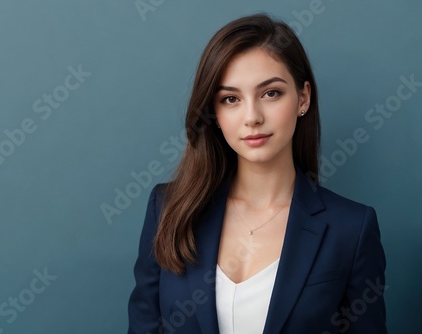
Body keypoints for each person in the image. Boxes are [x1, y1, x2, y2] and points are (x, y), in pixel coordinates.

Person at [128, 13, 387, 334]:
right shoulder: (167, 208)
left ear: (303, 98)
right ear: (215, 114)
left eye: (270, 93)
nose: (252, 117)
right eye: (231, 99)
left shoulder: (351, 229)